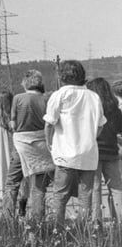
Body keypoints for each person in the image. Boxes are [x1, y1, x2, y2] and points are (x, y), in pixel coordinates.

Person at [44, 60, 106, 224]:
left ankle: (56, 229)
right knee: (86, 194)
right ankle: (83, 230)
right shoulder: (94, 96)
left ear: (62, 75)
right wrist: (90, 137)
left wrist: (49, 143)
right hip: (88, 152)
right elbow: (100, 126)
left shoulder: (59, 95)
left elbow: (49, 124)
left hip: (65, 152)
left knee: (60, 194)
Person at [7, 70, 53, 220]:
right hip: (41, 144)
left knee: (12, 184)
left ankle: (7, 219)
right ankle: (37, 220)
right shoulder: (46, 99)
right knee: (39, 187)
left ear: (25, 82)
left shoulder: (18, 98)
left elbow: (13, 123)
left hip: (21, 144)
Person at [86, 77, 122, 222]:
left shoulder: (90, 108)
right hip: (112, 151)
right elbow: (119, 130)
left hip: (94, 152)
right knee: (116, 188)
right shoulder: (115, 109)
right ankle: (119, 221)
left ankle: (96, 223)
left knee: (95, 189)